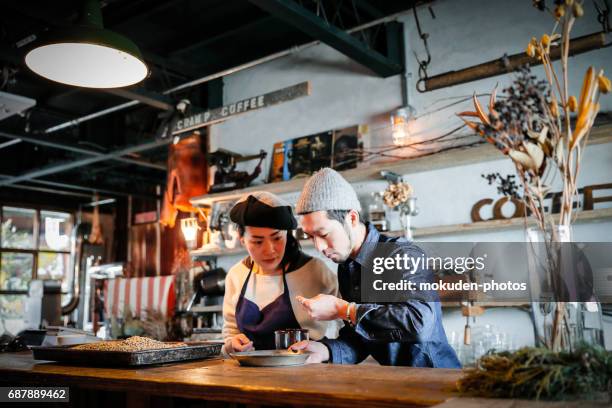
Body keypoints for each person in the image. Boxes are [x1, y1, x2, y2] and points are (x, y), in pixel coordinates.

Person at [290, 168, 460, 367]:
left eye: (324, 234)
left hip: (436, 381)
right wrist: (325, 350)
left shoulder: (402, 254)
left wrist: (343, 309)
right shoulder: (346, 267)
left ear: (352, 218)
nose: (319, 247)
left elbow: (420, 324)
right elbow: (362, 338)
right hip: (395, 383)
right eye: (311, 237)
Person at [222, 191, 339, 353]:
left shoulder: (315, 271)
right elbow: (230, 331)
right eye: (257, 241)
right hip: (248, 375)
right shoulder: (236, 275)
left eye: (277, 238)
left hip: (307, 372)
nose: (269, 250)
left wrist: (327, 352)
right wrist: (231, 344)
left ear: (287, 234)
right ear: (242, 240)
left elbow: (344, 328)